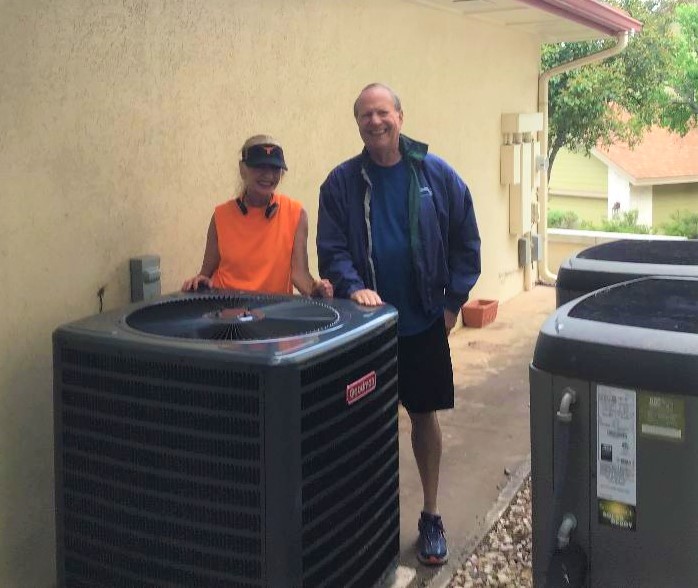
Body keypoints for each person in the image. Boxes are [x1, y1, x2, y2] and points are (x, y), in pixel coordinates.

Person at [317, 83, 481, 566]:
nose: (375, 121)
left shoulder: (435, 173)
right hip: (366, 331)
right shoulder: (341, 183)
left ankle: (430, 514)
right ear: (358, 125)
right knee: (365, 426)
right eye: (365, 115)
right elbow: (332, 250)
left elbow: (465, 238)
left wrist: (452, 303)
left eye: (382, 112)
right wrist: (351, 286)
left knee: (424, 417)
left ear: (400, 117)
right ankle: (367, 520)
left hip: (423, 323)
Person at [182, 134, 332, 298]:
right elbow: (206, 273)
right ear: (242, 169)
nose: (268, 176)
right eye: (260, 167)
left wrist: (317, 289)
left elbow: (300, 275)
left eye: (275, 168)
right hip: (227, 309)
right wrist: (198, 281)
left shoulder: (296, 214)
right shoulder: (221, 216)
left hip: (272, 314)